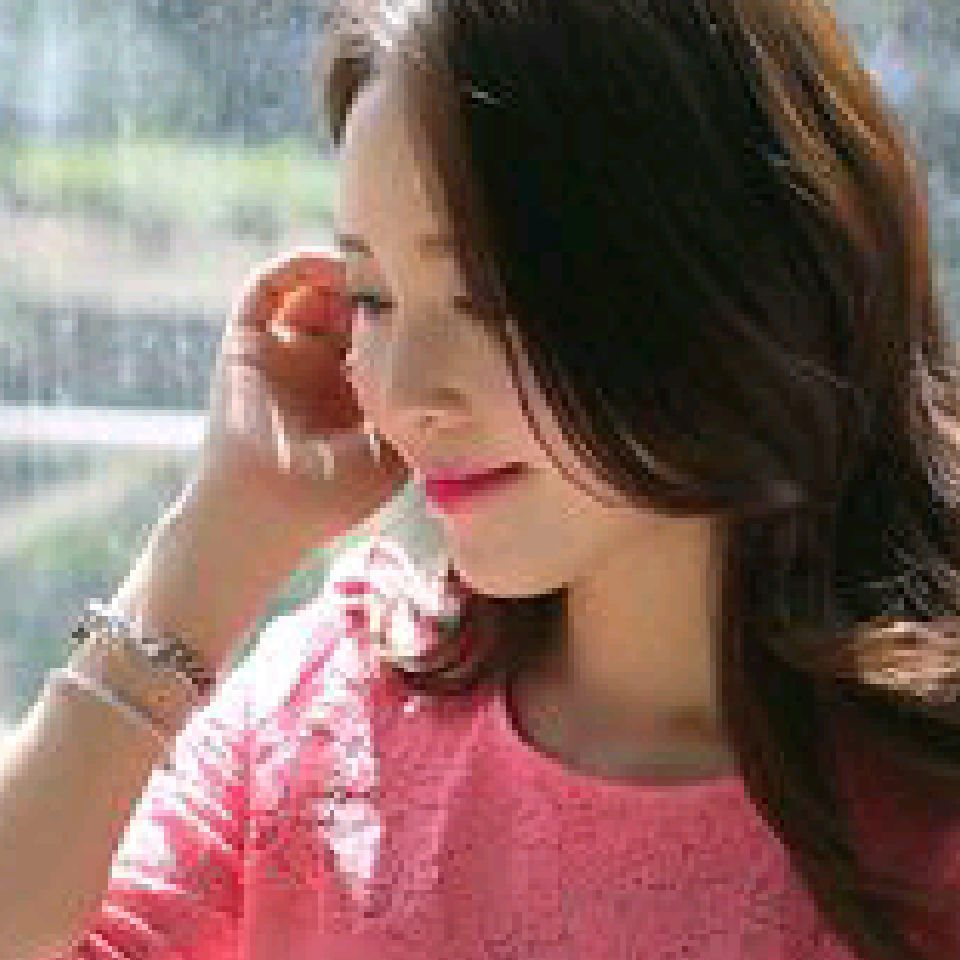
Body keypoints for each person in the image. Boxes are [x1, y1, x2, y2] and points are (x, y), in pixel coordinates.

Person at [2, 0, 959, 958]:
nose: (406, 391)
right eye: (373, 297)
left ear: (733, 274)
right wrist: (220, 533)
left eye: (488, 297)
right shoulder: (323, 713)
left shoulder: (925, 822)